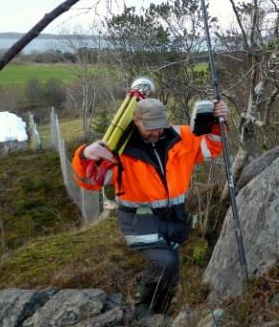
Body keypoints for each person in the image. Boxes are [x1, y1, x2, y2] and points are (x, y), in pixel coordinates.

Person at [72, 98, 228, 316]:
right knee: (166, 263)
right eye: (149, 127)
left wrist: (216, 123)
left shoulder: (181, 136)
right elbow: (90, 182)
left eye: (159, 126)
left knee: (171, 271)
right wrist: (84, 155)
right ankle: (144, 309)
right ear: (137, 122)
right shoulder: (120, 148)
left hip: (174, 219)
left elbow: (212, 147)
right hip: (139, 221)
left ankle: (159, 312)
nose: (156, 132)